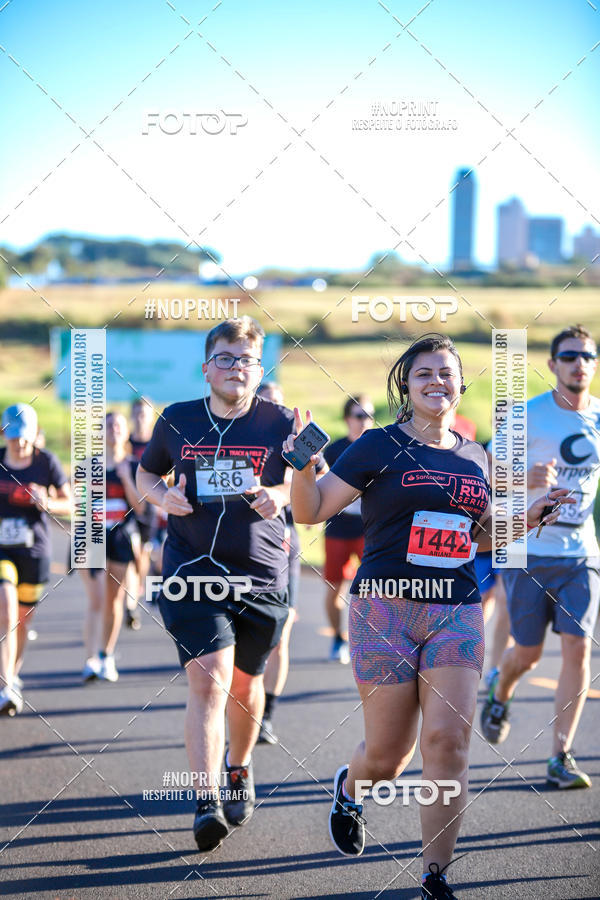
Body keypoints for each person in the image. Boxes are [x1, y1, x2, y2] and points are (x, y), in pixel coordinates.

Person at [284, 334, 570, 899]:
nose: (437, 381)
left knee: (447, 744)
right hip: (384, 611)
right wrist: (299, 464)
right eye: (424, 374)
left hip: (456, 610)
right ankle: (350, 785)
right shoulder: (375, 446)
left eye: (447, 373)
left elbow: (483, 535)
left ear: (461, 385)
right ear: (406, 386)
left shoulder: (474, 455)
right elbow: (310, 510)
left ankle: (434, 875)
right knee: (389, 759)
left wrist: (528, 515)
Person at [137, 316, 295, 853]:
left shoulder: (283, 422)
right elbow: (145, 473)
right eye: (225, 358)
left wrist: (284, 493)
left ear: (259, 368)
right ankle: (205, 803)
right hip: (191, 569)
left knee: (246, 688)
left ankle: (239, 768)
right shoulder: (178, 419)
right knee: (210, 679)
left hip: (262, 573)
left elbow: (310, 482)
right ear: (206, 368)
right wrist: (162, 498)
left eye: (246, 359)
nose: (236, 368)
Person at [481, 324, 600, 789]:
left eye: (588, 357)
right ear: (552, 365)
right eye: (570, 356)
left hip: (580, 554)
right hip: (528, 551)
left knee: (577, 647)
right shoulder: (525, 416)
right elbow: (486, 478)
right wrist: (526, 475)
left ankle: (560, 756)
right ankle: (500, 687)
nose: (579, 364)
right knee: (527, 654)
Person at [255, 381, 328, 744]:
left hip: (282, 548)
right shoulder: (237, 434)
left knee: (280, 637)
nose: (274, 412)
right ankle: (241, 708)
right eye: (265, 404)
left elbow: (323, 477)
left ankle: (266, 714)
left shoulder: (294, 439)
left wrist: (304, 452)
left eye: (279, 406)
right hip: (237, 550)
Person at [0, 403, 70, 715]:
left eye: (24, 436)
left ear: (33, 434)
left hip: (34, 551)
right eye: (13, 436)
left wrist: (48, 502)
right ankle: (6, 686)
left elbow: (72, 503)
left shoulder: (47, 463)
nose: (19, 442)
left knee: (22, 620)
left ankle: (12, 674)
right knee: (5, 605)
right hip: (2, 550)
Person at [80, 411, 144, 682]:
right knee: (96, 600)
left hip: (120, 538)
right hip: (92, 537)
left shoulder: (133, 466)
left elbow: (141, 508)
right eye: (108, 426)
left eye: (118, 425)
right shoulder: (88, 465)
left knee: (113, 600)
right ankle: (91, 659)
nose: (114, 430)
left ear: (124, 431)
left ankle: (107, 655)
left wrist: (126, 478)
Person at [322, 396, 374, 664]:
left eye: (369, 415)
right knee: (334, 588)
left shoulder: (379, 448)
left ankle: (369, 641)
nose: (364, 420)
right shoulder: (333, 451)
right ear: (347, 419)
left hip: (370, 530)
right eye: (359, 415)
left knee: (375, 589)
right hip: (339, 527)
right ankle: (337, 638)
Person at [125, 396, 157, 629]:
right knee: (131, 550)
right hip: (125, 505)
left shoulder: (156, 444)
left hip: (149, 507)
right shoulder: (125, 444)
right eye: (136, 413)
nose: (139, 418)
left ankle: (137, 586)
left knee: (142, 555)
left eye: (144, 413)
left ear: (151, 416)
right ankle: (130, 604)